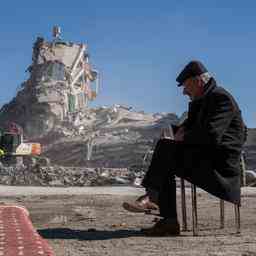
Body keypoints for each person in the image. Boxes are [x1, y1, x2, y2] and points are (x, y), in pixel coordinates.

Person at [122, 60, 247, 236]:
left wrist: (184, 136)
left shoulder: (221, 98)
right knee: (165, 150)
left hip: (220, 166)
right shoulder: (202, 101)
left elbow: (210, 135)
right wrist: (174, 131)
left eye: (186, 85)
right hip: (204, 158)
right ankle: (166, 218)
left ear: (198, 81)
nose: (183, 92)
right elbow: (191, 129)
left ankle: (155, 201)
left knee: (166, 151)